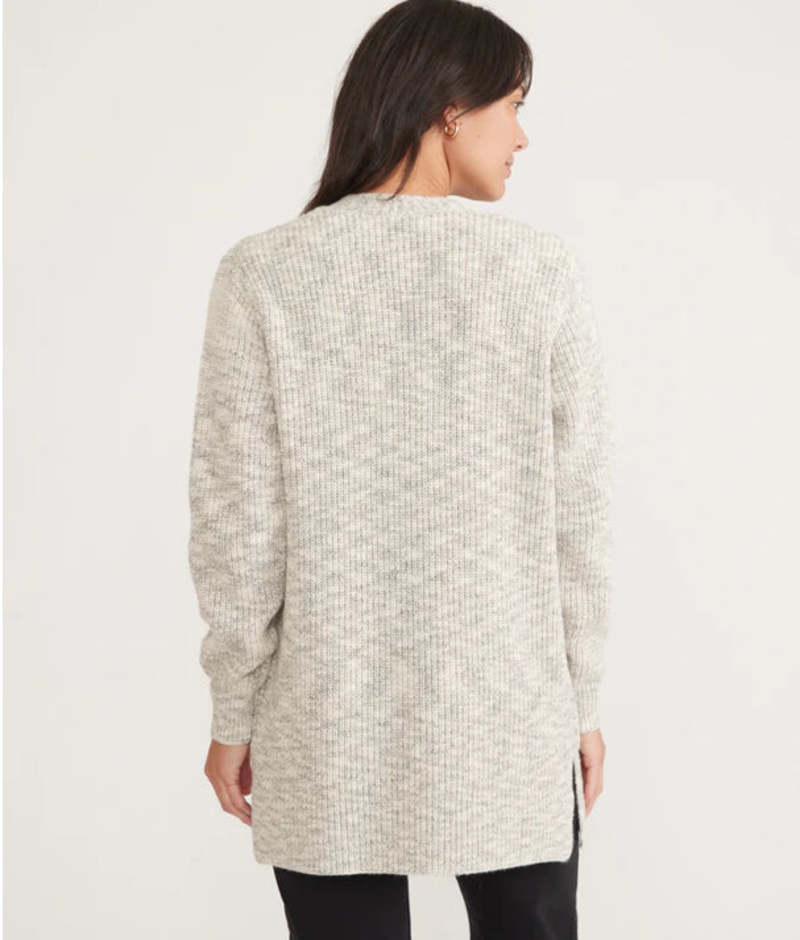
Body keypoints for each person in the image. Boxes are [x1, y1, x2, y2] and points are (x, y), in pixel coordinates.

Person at [187, 0, 612, 936]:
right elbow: (578, 519)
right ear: (451, 110)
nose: (523, 136)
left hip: (329, 716)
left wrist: (234, 710)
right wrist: (579, 700)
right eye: (513, 105)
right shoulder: (538, 272)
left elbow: (237, 522)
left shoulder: (264, 273)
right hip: (510, 714)